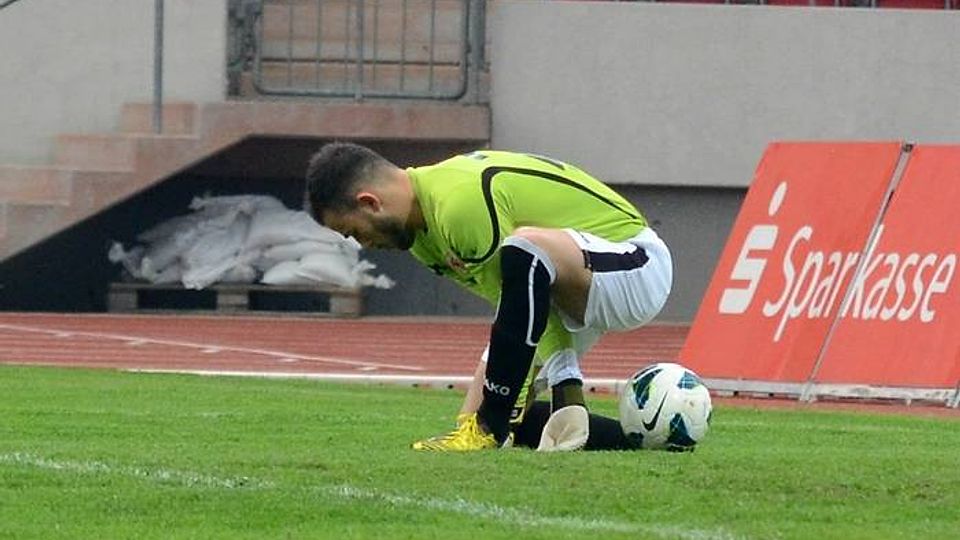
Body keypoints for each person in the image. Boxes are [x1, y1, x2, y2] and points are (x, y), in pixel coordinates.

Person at [304, 142, 672, 452]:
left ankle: (501, 422)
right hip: (564, 280)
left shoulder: (457, 204)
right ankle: (643, 441)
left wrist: (563, 380)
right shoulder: (422, 239)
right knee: (475, 421)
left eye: (353, 232)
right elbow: (519, 306)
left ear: (370, 203)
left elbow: (526, 285)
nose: (363, 244)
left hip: (635, 264)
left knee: (524, 248)